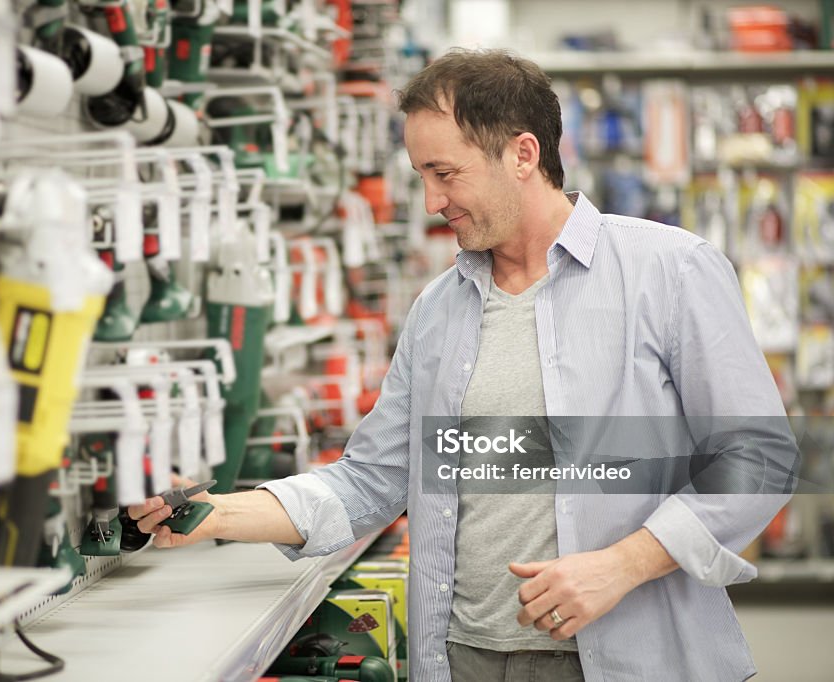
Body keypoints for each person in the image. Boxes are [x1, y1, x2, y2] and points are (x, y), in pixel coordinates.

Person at [129, 49, 794, 681]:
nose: (431, 201)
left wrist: (621, 565)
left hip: (627, 655)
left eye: (446, 174)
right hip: (462, 656)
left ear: (523, 154)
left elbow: (757, 457)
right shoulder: (438, 310)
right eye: (421, 176)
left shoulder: (668, 271)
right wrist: (215, 516)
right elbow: (372, 479)